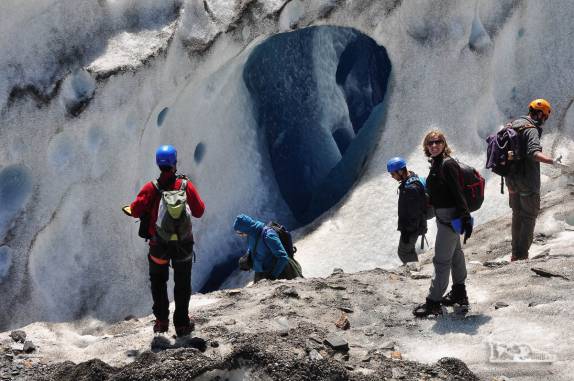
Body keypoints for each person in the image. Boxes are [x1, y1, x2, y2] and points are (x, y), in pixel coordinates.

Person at [128, 145, 205, 336]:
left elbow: (135, 210)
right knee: (182, 284)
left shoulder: (151, 188)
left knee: (158, 282)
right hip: (183, 246)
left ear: (158, 163)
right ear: (174, 163)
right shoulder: (185, 186)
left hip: (158, 245)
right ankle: (181, 324)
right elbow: (199, 211)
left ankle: (161, 322)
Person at [413, 130, 471, 317]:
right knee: (455, 255)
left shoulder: (447, 165)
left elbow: (457, 192)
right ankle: (460, 294)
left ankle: (433, 302)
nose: (434, 145)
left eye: (438, 142)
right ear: (426, 147)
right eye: (431, 143)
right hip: (447, 217)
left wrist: (465, 216)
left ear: (444, 144)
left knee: (441, 260)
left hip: (450, 218)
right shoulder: (438, 163)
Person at [505, 99, 563, 261]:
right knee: (529, 217)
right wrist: (552, 161)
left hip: (511, 180)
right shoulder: (531, 130)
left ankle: (515, 254)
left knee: (517, 214)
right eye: (544, 116)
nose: (544, 120)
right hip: (527, 181)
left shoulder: (514, 124)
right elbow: (533, 152)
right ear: (539, 114)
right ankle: (522, 255)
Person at [234, 214, 302, 282]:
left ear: (246, 229)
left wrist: (273, 276)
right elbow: (252, 249)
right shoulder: (250, 236)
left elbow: (283, 257)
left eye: (240, 233)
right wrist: (246, 259)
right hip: (261, 273)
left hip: (280, 273)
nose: (241, 236)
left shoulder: (268, 235)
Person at [386, 157, 428, 266]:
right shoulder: (413, 178)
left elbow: (413, 214)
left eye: (393, 174)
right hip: (419, 225)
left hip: (412, 228)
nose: (392, 176)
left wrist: (406, 233)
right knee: (408, 250)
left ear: (400, 171)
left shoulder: (410, 189)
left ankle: (415, 271)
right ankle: (415, 268)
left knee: (404, 252)